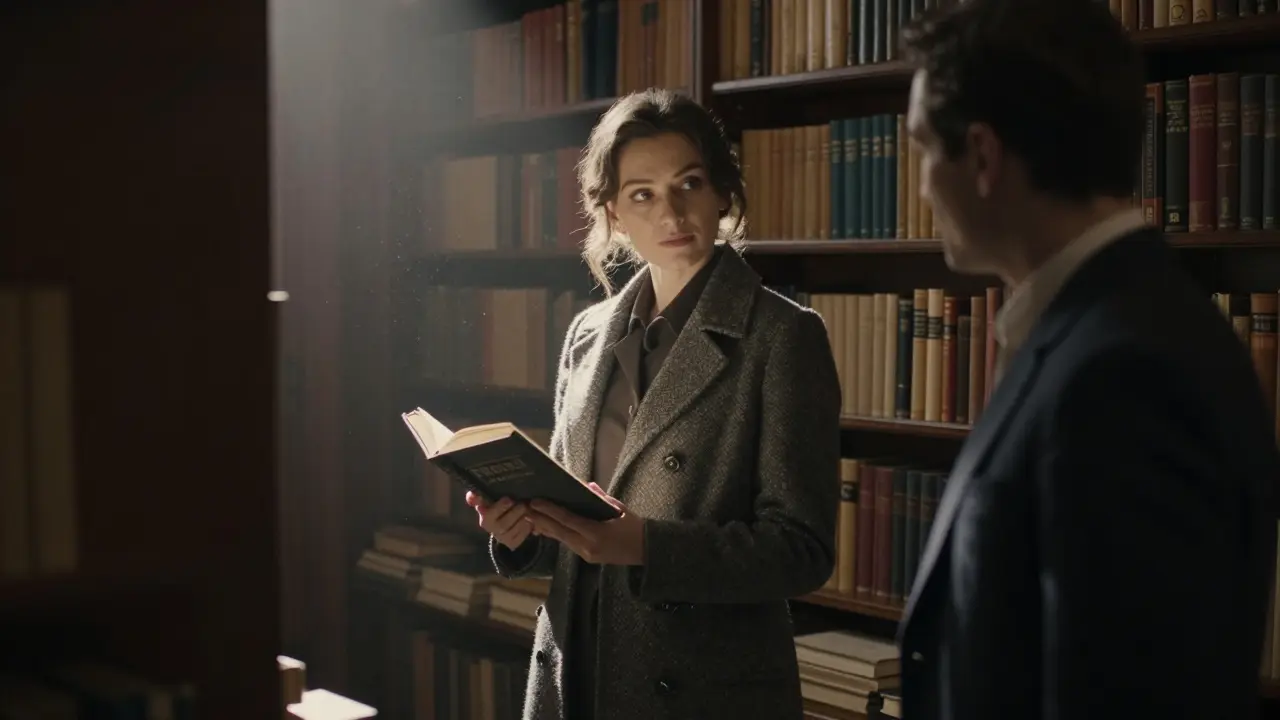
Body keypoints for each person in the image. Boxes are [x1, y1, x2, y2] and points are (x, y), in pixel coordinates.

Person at [895, 1, 1279, 718]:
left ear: (982, 156)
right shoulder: (1099, 329)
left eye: (923, 149)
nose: (920, 185)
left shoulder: (1127, 373)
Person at [463, 88, 842, 720]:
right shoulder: (587, 333)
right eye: (642, 193)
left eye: (688, 182)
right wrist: (523, 532)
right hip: (572, 676)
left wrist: (646, 546)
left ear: (722, 191)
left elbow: (802, 551)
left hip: (700, 693)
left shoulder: (782, 337)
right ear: (612, 211)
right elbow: (570, 520)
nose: (671, 211)